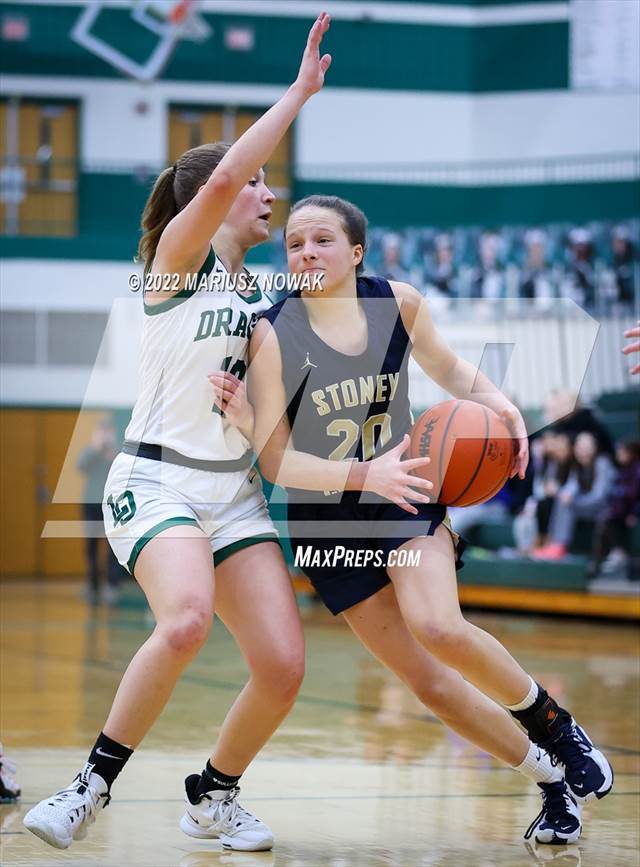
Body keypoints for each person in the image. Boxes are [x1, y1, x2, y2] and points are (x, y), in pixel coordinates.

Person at [23, 13, 333, 853]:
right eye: (260, 182)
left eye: (269, 181)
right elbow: (230, 169)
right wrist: (299, 91)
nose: (268, 192)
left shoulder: (257, 297)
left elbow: (277, 420)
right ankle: (91, 783)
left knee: (283, 664)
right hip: (156, 480)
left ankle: (213, 792)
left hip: (232, 493)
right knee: (187, 619)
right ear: (219, 197)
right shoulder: (175, 259)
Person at [245, 195, 613, 845]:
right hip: (327, 519)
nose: (306, 251)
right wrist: (362, 474)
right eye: (294, 242)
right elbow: (275, 459)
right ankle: (551, 782)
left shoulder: (400, 303)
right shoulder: (272, 333)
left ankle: (555, 722)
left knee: (439, 626)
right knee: (431, 685)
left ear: (356, 251)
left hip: (405, 490)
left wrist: (503, 406)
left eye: (322, 240)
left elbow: (445, 366)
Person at [533, 431, 616, 561]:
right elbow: (571, 488)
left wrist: (573, 501)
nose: (583, 452)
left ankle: (558, 544)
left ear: (594, 448)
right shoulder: (577, 466)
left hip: (605, 509)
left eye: (587, 448)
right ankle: (553, 544)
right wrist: (563, 494)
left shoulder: (602, 463)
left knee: (567, 503)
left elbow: (599, 498)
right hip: (585, 507)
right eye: (580, 448)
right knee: (563, 501)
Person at [77, 416, 122, 605]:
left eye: (108, 431)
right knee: (91, 546)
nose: (105, 435)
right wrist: (96, 449)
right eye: (102, 431)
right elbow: (80, 467)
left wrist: (112, 454)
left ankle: (111, 584)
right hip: (91, 504)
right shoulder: (91, 451)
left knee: (113, 547)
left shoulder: (117, 452)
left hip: (111, 504)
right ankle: (93, 583)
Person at [592, 440, 640, 577]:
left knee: (608, 517)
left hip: (629, 512)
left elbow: (634, 496)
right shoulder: (624, 469)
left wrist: (634, 513)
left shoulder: (637, 470)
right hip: (620, 511)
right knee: (605, 517)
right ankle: (603, 559)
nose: (618, 454)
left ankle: (617, 552)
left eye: (621, 452)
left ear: (631, 453)